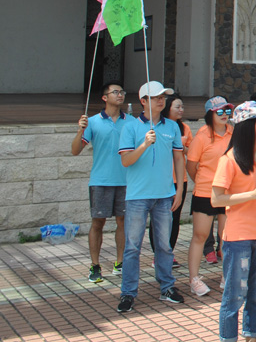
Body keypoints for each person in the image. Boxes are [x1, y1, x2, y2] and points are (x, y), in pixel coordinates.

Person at [116, 81, 185, 313]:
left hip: (165, 195)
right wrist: (145, 144)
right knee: (132, 247)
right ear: (143, 101)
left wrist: (180, 189)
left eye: (163, 96)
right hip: (137, 196)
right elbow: (126, 161)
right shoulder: (130, 127)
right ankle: (128, 293)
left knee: (164, 246)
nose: (161, 100)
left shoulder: (172, 126)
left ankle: (167, 287)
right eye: (155, 97)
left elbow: (179, 159)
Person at [211, 101, 256, 342]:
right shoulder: (229, 160)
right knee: (234, 295)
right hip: (238, 236)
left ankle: (252, 340)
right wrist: (252, 195)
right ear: (246, 127)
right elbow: (217, 198)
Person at [72, 81, 130, 283]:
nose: (120, 95)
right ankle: (95, 265)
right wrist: (80, 130)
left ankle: (120, 262)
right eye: (115, 92)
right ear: (105, 97)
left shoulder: (130, 121)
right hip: (101, 180)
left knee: (123, 222)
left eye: (122, 92)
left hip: (125, 180)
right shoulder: (92, 122)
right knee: (98, 222)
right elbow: (75, 150)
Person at [186, 96, 234, 297]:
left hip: (228, 192)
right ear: (209, 115)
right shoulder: (202, 136)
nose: (224, 115)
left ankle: (226, 275)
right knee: (200, 235)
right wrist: (202, 181)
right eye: (219, 112)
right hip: (205, 192)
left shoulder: (233, 133)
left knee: (227, 236)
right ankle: (194, 279)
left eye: (227, 111)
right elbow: (191, 165)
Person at [151, 94, 192, 264]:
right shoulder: (158, 126)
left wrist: (180, 147)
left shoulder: (185, 128)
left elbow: (191, 151)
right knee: (158, 219)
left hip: (179, 179)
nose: (181, 110)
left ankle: (169, 253)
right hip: (161, 178)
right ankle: (157, 254)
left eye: (182, 107)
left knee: (175, 218)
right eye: (177, 107)